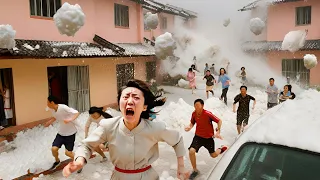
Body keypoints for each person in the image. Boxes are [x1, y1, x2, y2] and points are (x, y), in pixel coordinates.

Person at [63, 79, 189, 180]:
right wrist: (79, 161)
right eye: (125, 97)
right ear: (119, 104)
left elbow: (177, 140)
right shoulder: (108, 126)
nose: (130, 101)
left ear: (144, 107)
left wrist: (181, 166)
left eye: (136, 97)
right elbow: (86, 145)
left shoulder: (155, 128)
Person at [185, 99, 227, 180]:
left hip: (208, 139)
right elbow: (192, 122)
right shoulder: (194, 113)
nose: (196, 107)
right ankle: (195, 170)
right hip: (198, 137)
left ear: (202, 106)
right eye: (195, 105)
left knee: (213, 155)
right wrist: (189, 127)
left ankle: (221, 149)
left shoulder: (208, 114)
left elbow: (219, 121)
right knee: (191, 151)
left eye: (198, 105)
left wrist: (218, 129)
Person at [44, 96, 80, 170]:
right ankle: (57, 161)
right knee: (54, 149)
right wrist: (49, 122)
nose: (46, 103)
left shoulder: (63, 107)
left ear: (52, 102)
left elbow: (76, 113)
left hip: (70, 133)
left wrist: (70, 119)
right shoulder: (52, 109)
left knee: (68, 153)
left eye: (47, 102)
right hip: (61, 133)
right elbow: (56, 116)